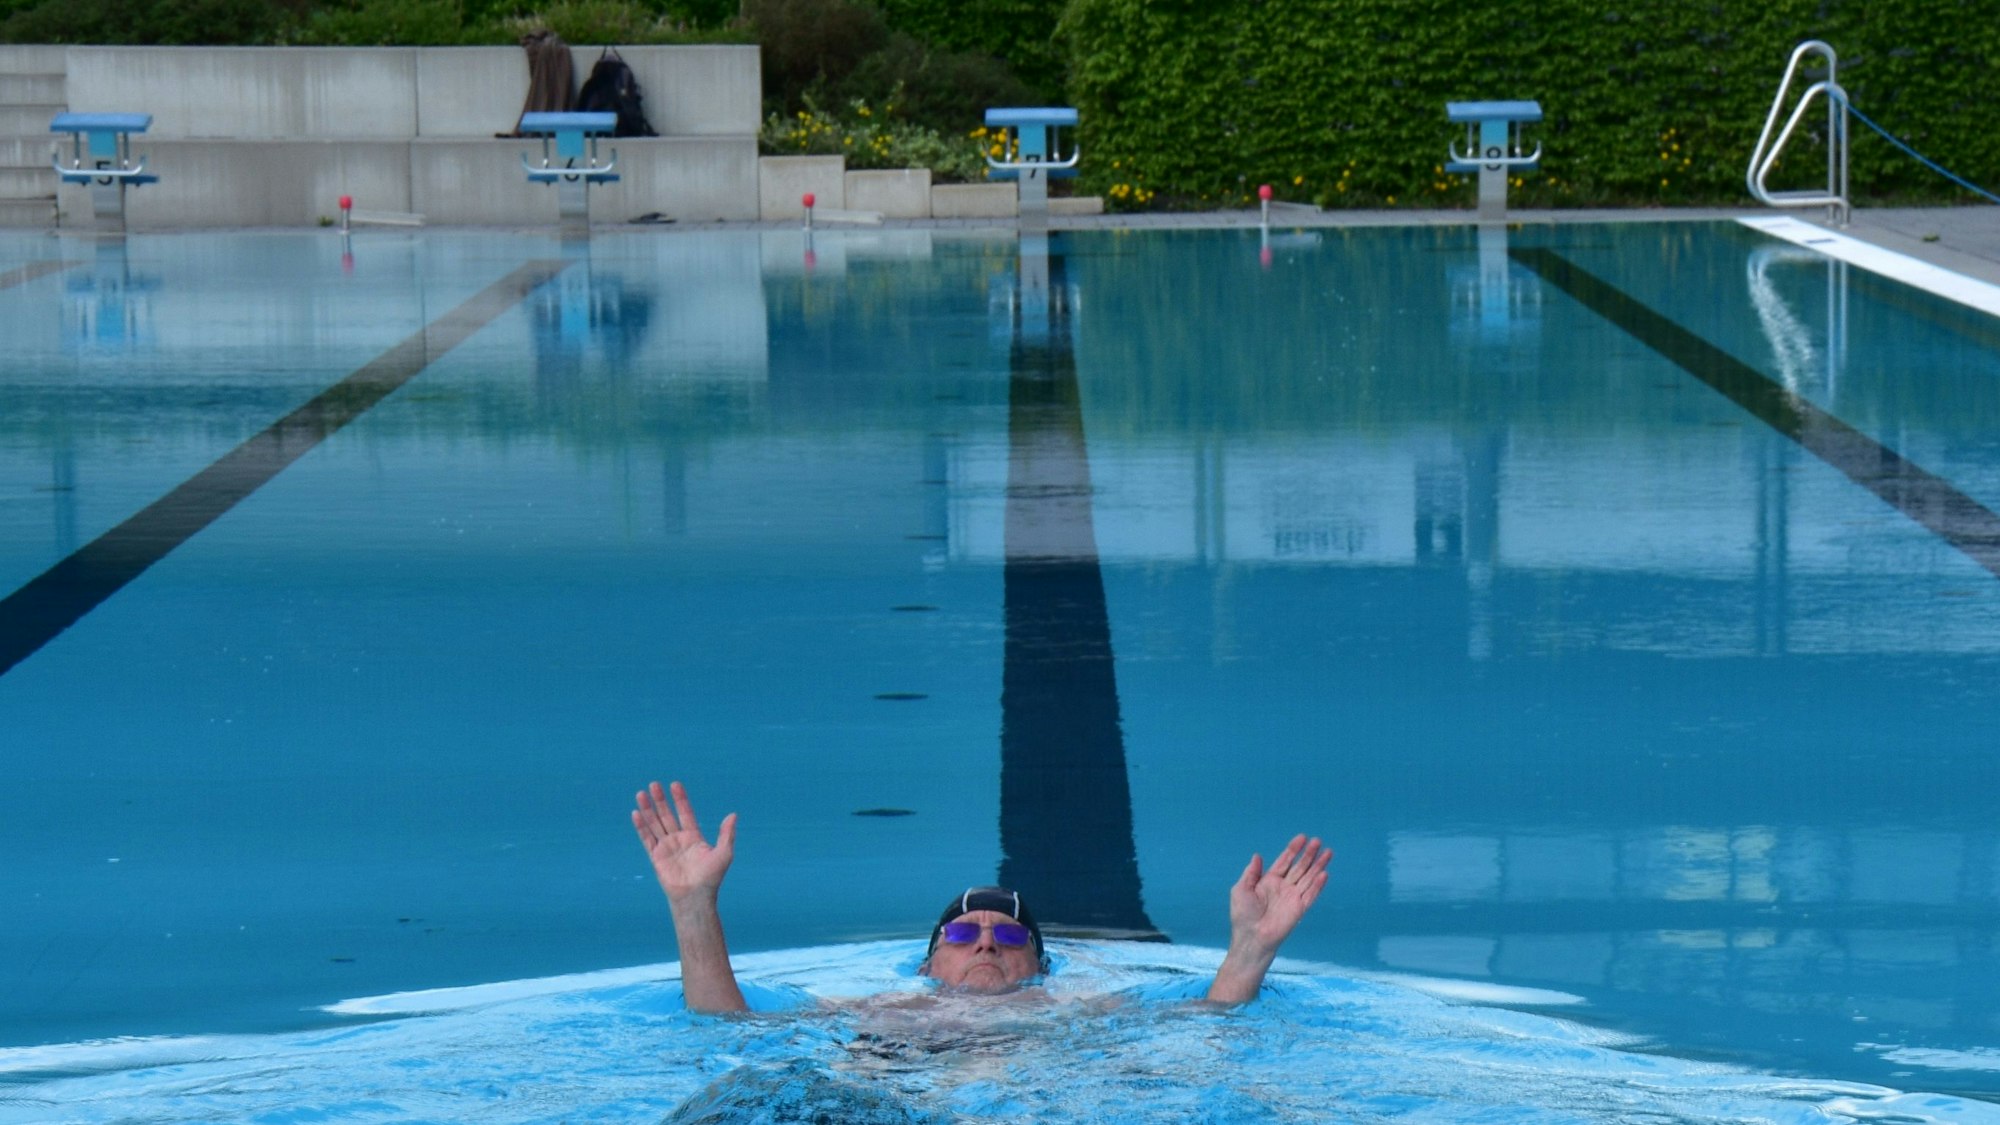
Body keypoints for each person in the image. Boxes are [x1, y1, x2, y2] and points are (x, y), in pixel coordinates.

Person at [631, 780, 1331, 1013]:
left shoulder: (1084, 1013)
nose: (988, 940)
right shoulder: (881, 1014)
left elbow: (1208, 1028)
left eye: (1009, 934)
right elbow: (730, 1032)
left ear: (1040, 965)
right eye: (963, 935)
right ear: (930, 964)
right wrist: (694, 907)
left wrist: (1251, 949)